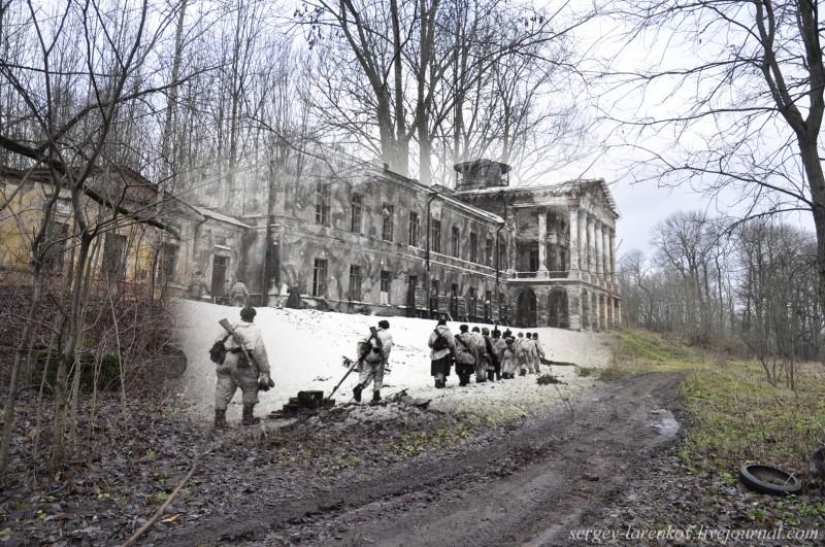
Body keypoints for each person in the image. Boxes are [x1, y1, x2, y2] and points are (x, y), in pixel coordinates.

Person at [213, 306, 272, 428]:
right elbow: (259, 352)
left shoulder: (233, 326)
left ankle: (219, 419)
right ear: (253, 317)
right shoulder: (254, 330)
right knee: (250, 387)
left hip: (225, 359)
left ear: (241, 315)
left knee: (223, 388)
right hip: (243, 361)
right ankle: (247, 418)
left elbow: (217, 341)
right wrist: (265, 370)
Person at [354, 320, 394, 404]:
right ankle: (376, 395)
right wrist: (385, 360)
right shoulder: (388, 335)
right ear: (387, 326)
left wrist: (360, 356)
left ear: (379, 325)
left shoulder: (372, 332)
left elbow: (361, 343)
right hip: (379, 359)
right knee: (378, 377)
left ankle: (359, 387)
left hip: (367, 357)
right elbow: (387, 349)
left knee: (365, 375)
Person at [428, 314, 456, 388]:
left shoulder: (434, 332)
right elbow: (452, 344)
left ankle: (437, 381)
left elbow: (430, 344)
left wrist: (436, 347)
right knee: (442, 368)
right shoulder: (448, 332)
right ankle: (441, 382)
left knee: (436, 368)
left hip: (435, 353)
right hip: (445, 353)